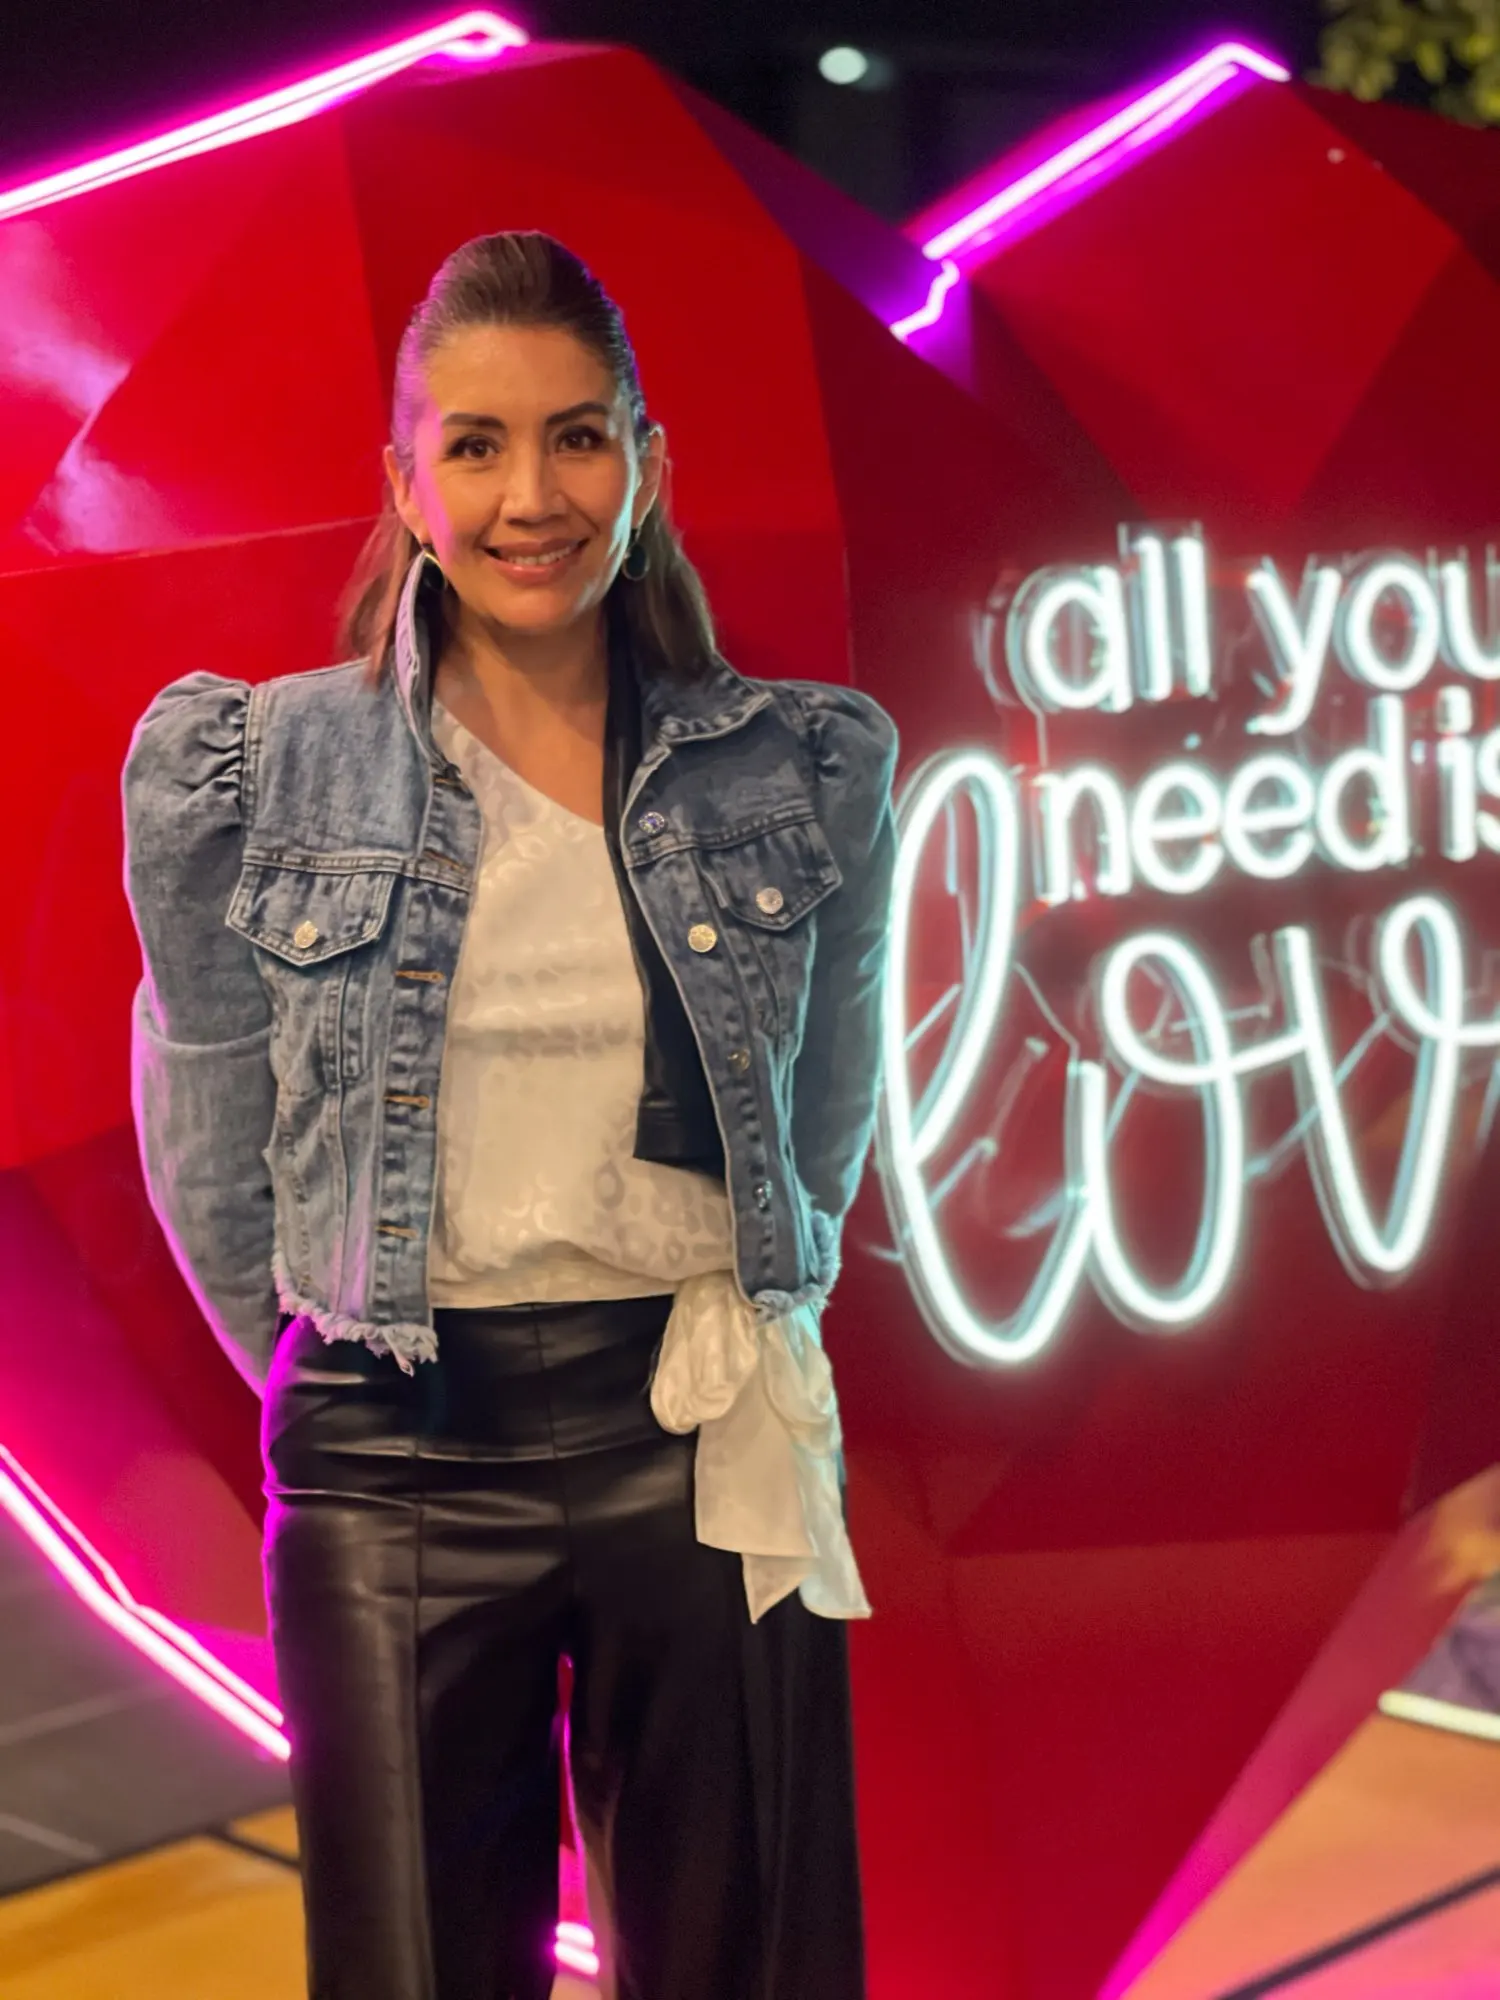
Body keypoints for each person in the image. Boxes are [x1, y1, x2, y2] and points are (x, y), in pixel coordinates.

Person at [121, 230, 897, 2000]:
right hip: (391, 1450)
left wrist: (742, 1310)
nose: (530, 496)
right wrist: (346, 1362)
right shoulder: (250, 772)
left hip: (698, 1428)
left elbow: (823, 1123)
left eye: (577, 437)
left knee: (753, 1964)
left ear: (646, 467)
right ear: (406, 485)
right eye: (473, 445)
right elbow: (211, 1147)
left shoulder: (801, 767)